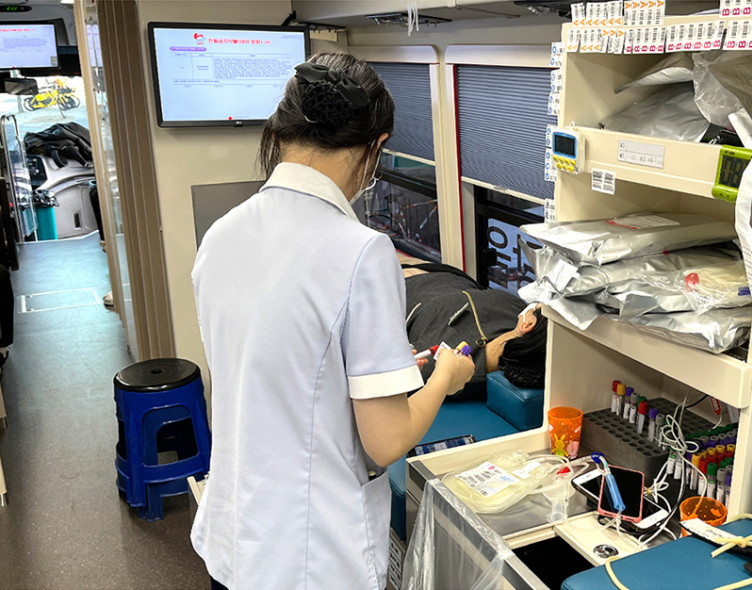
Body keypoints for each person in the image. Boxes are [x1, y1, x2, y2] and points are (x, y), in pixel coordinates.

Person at [189, 53, 474, 590]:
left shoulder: (222, 235)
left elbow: (275, 373)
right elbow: (386, 441)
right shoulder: (362, 252)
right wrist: (444, 377)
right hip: (309, 559)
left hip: (233, 541)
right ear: (376, 147)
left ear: (280, 132)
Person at [399, 254, 547, 399]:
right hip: (448, 273)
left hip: (401, 286)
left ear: (528, 324)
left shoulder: (438, 369)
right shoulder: (516, 311)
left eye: (539, 305)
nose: (534, 304)